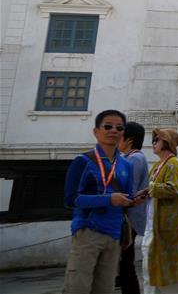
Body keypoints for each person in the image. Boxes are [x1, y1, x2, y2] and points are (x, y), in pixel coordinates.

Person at [62, 109, 140, 294]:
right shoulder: (83, 161)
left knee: (105, 288)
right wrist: (108, 199)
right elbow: (71, 199)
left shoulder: (126, 165)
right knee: (77, 287)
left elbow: (126, 197)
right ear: (96, 131)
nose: (113, 130)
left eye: (119, 127)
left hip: (114, 235)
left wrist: (133, 200)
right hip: (88, 231)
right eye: (107, 126)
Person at [142, 128, 178, 294]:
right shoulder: (158, 166)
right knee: (151, 275)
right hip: (153, 227)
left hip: (166, 232)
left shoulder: (175, 164)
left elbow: (174, 189)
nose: (153, 143)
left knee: (162, 276)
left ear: (166, 142)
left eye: (157, 140)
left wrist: (149, 188)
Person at [119, 121, 149, 294]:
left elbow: (130, 190)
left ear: (129, 140)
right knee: (123, 263)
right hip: (127, 216)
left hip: (128, 217)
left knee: (125, 263)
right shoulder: (129, 158)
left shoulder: (135, 158)